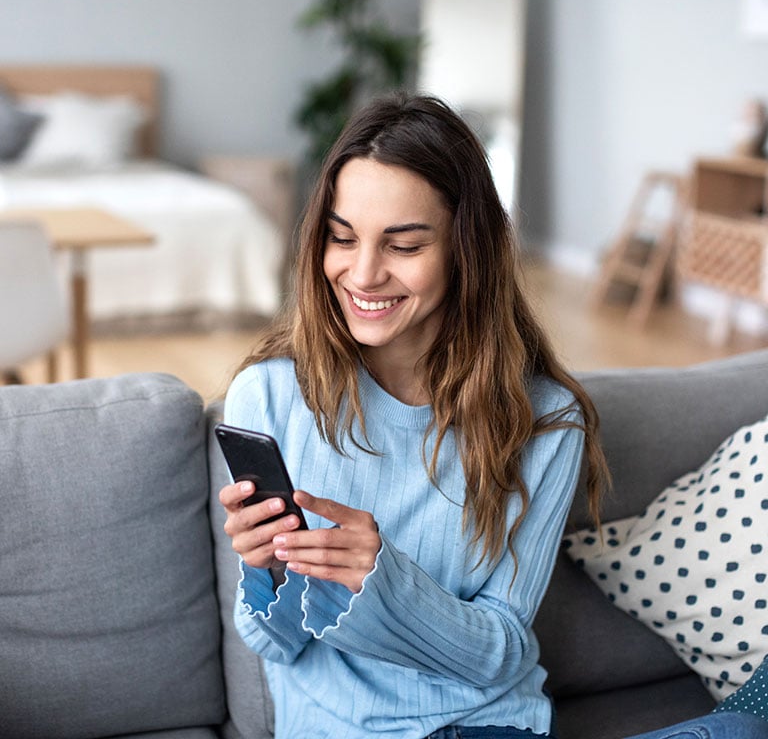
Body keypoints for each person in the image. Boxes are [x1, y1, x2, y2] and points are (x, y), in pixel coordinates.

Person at [219, 93, 768, 739]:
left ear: (465, 247)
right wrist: (269, 572)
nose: (362, 274)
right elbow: (275, 647)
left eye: (403, 245)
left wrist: (386, 584)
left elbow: (500, 651)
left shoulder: (543, 421)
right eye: (342, 238)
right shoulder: (270, 396)